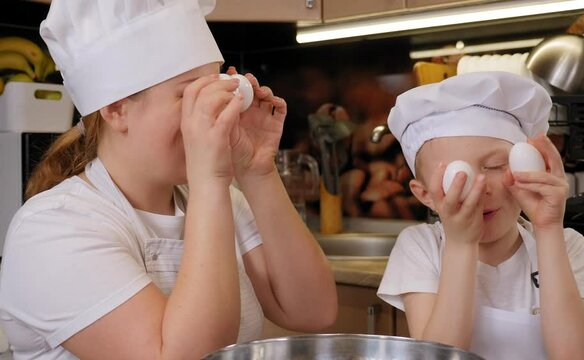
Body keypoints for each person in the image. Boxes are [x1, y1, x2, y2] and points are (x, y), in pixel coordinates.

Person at [0, 1, 337, 359]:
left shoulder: (220, 198)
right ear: (116, 109)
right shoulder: (54, 229)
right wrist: (210, 178)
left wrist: (257, 171)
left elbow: (313, 311)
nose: (217, 108)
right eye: (188, 94)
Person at [377, 71, 584, 359]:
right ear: (425, 195)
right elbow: (436, 356)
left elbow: (574, 356)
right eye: (458, 175)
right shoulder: (420, 247)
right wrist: (461, 244)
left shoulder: (566, 245)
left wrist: (548, 228)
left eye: (495, 165)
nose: (481, 187)